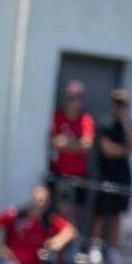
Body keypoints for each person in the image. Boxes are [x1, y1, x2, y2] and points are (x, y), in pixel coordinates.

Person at [91, 88, 132, 264]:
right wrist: (125, 150)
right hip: (105, 175)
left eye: (124, 104)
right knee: (101, 213)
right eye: (117, 103)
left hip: (123, 176)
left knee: (117, 214)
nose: (120, 108)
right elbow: (107, 149)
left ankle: (113, 249)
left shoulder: (130, 125)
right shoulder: (105, 123)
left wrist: (126, 126)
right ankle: (95, 246)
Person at [47, 79, 94, 251]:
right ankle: (59, 247)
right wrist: (76, 144)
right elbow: (54, 141)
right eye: (69, 98)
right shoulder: (57, 117)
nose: (72, 102)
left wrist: (66, 143)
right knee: (59, 213)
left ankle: (70, 249)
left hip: (78, 175)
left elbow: (87, 145)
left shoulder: (85, 120)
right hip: (59, 173)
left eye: (76, 98)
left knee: (73, 214)